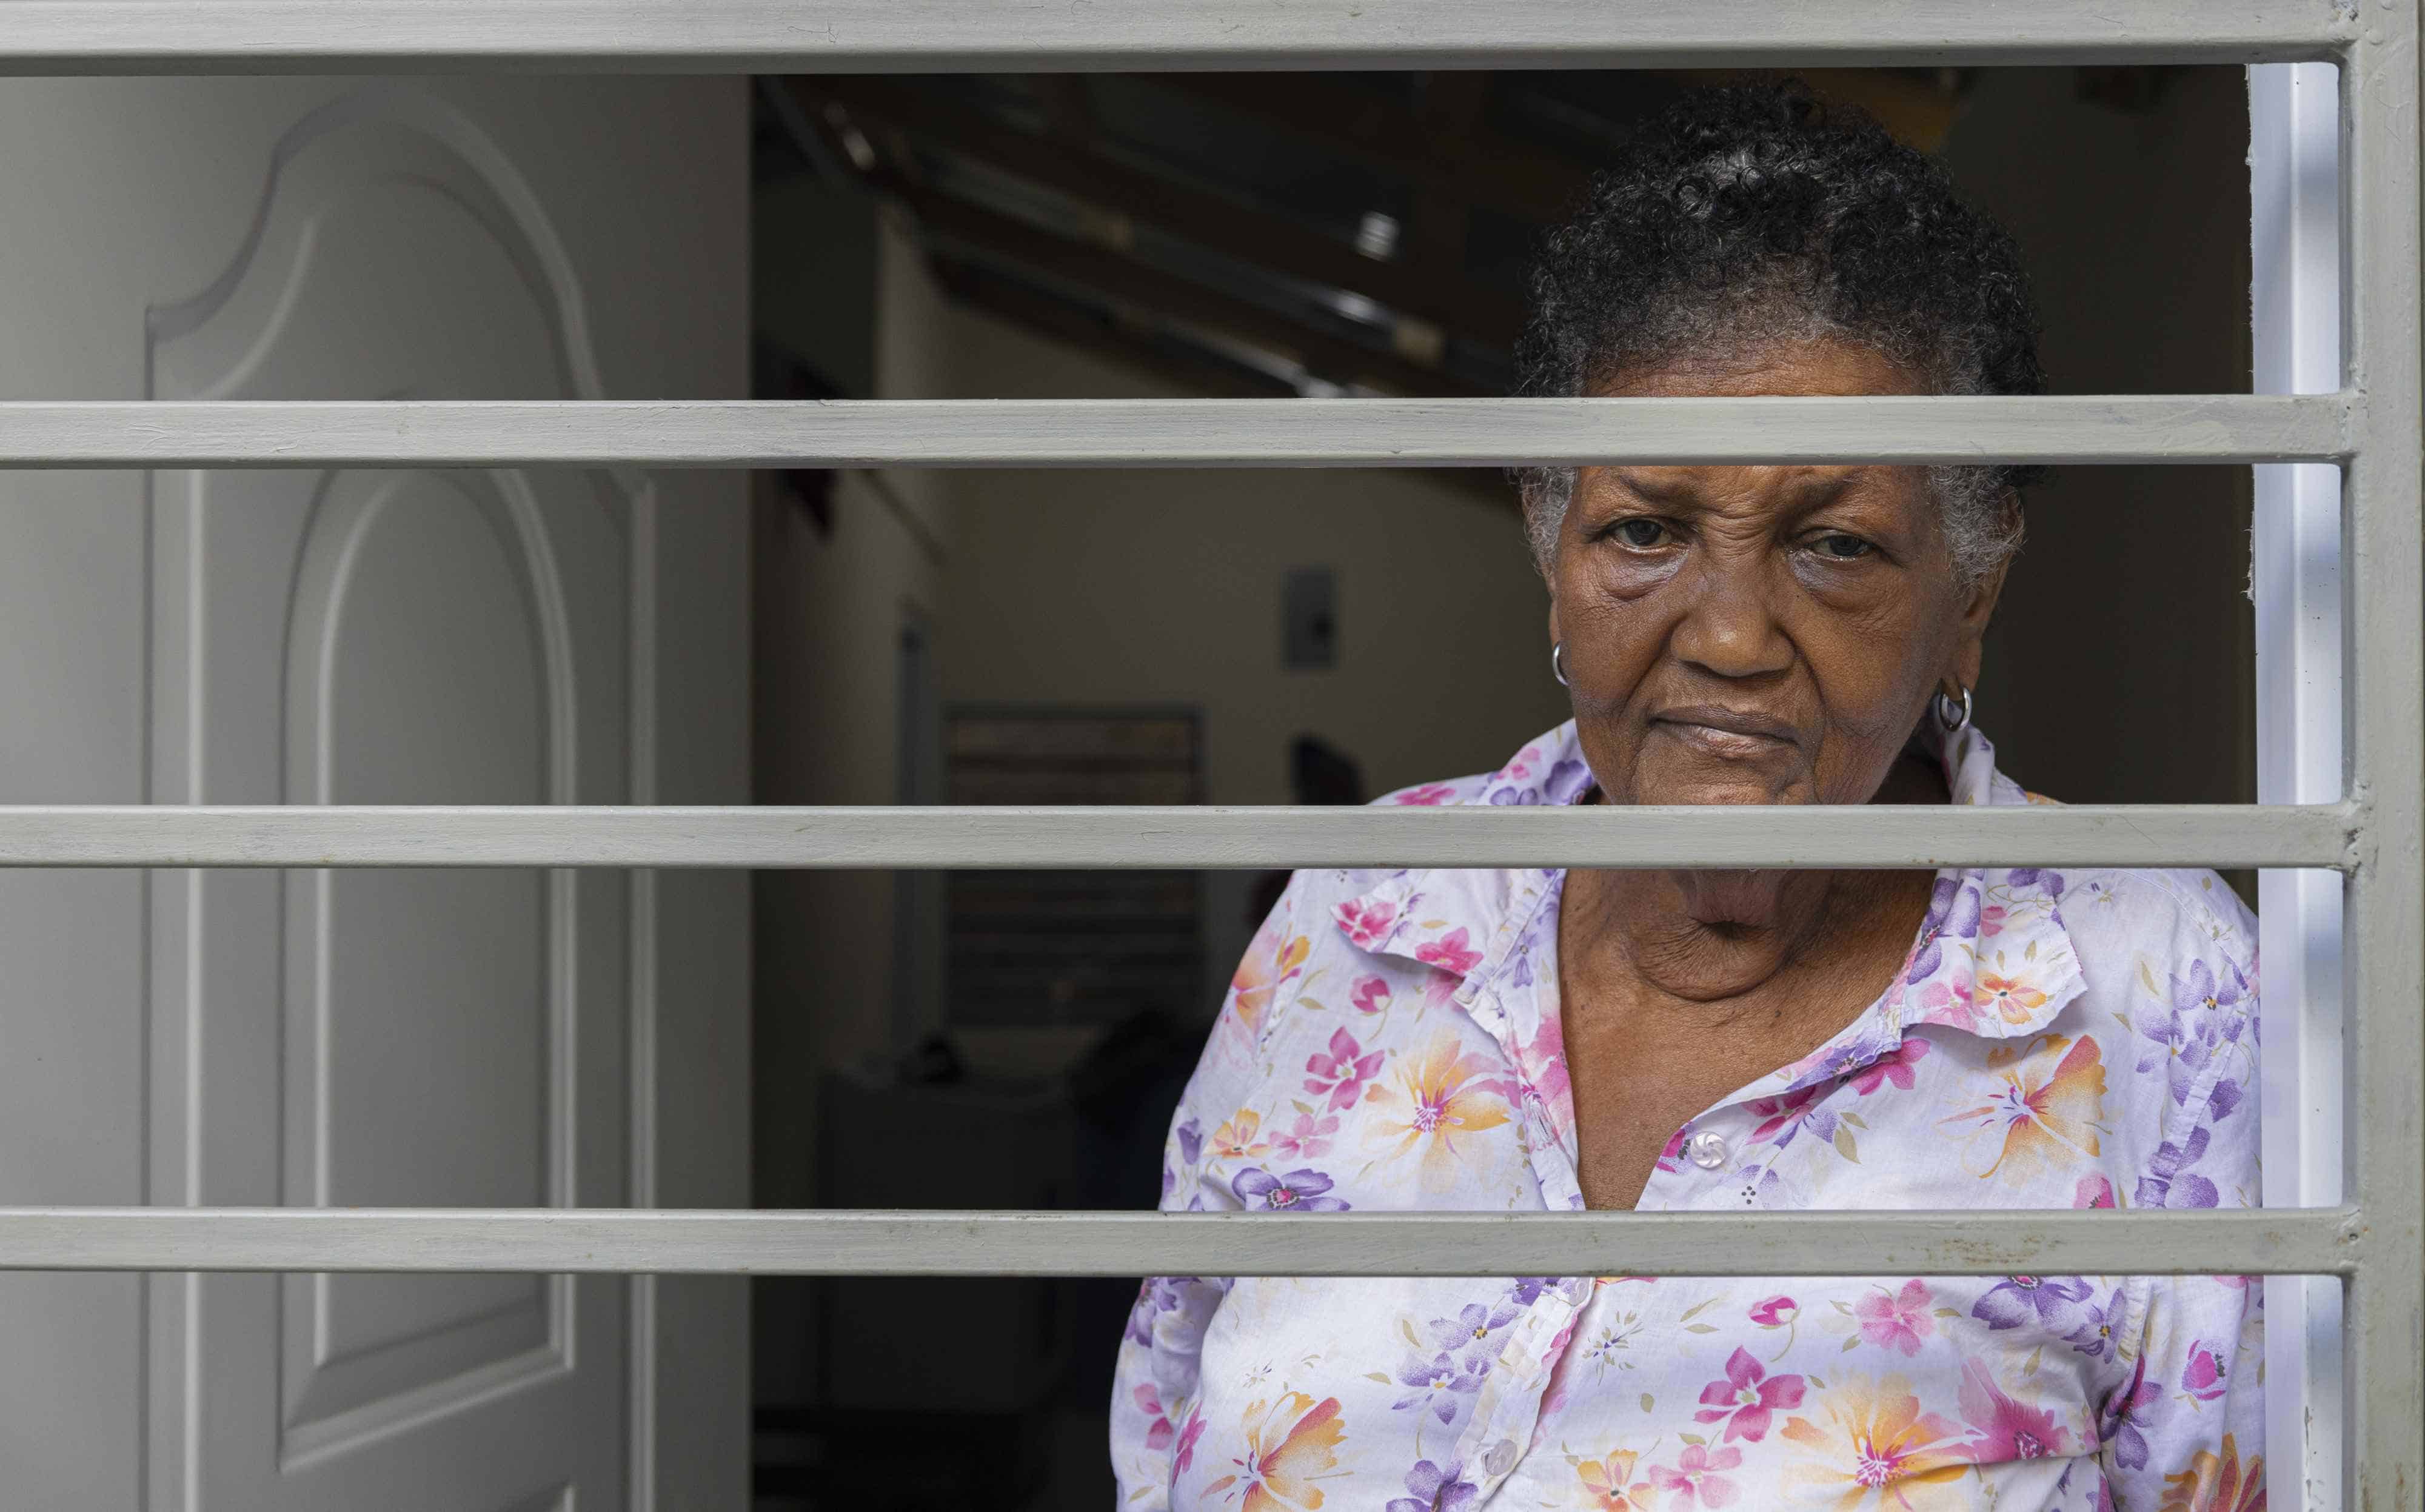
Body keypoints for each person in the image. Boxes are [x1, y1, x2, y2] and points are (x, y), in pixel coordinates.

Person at [1110, 83, 2259, 1511]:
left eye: (1833, 543)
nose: (1726, 631)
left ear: (1969, 591)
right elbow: (1162, 1430)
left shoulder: (2146, 978)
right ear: (1551, 548)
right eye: (1643, 530)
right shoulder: (1361, 909)